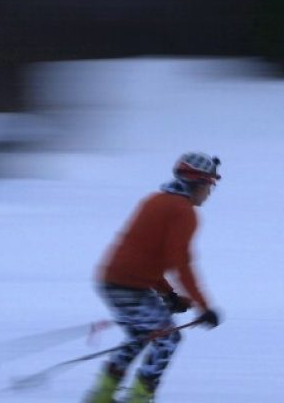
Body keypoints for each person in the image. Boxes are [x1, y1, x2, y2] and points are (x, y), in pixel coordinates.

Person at [82, 152, 223, 403]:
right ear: (197, 183)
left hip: (113, 280)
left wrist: (168, 294)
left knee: (140, 336)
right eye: (210, 185)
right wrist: (204, 307)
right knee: (168, 339)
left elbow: (147, 256)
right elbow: (181, 263)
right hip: (128, 286)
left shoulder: (155, 200)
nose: (210, 192)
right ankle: (138, 397)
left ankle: (102, 395)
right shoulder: (183, 212)